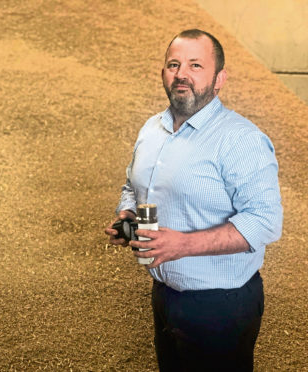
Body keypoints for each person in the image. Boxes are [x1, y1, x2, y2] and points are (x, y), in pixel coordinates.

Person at [105, 29, 283, 372]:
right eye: (174, 64)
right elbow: (133, 184)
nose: (182, 73)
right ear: (163, 74)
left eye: (196, 65)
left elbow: (264, 222)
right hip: (165, 294)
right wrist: (126, 215)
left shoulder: (240, 140)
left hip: (221, 304)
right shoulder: (151, 130)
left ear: (219, 79)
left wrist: (182, 245)